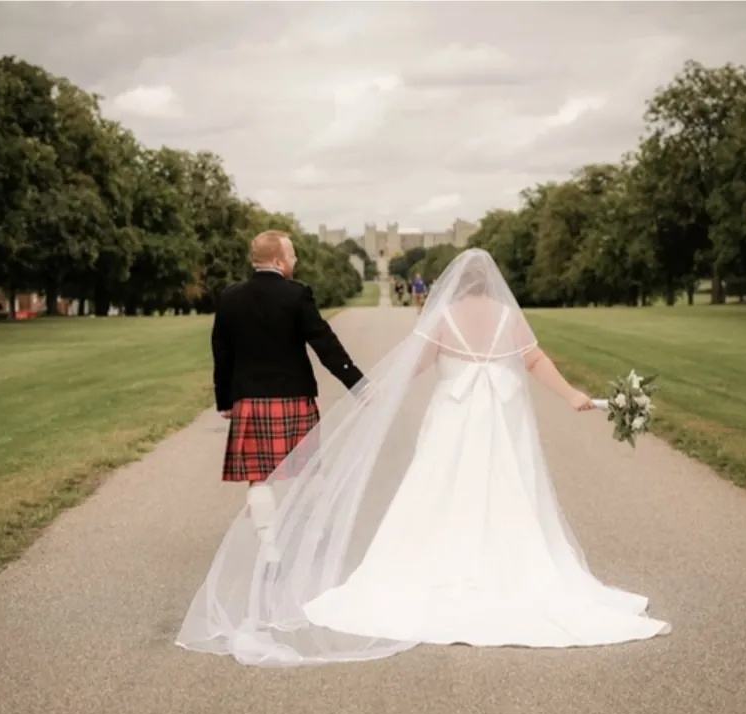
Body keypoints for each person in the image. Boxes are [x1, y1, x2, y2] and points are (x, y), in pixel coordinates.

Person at [178, 248, 669, 667]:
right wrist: (573, 396)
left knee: (439, 490)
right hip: (503, 427)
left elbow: (413, 365)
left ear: (454, 287)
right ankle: (513, 564)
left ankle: (437, 562)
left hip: (453, 425)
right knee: (508, 490)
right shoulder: (508, 317)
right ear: (492, 286)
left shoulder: (444, 318)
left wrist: (372, 394)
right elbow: (536, 362)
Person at [209, 230, 365, 564]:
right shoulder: (296, 295)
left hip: (249, 400)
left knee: (258, 477)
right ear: (279, 260)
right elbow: (324, 343)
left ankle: (268, 548)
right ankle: (318, 534)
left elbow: (222, 353)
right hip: (294, 398)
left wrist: (224, 399)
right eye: (292, 255)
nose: (295, 260)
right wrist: (357, 383)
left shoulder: (230, 297)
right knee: (309, 470)